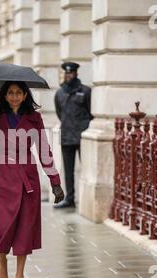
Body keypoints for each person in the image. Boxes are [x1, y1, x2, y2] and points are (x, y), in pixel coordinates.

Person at [0, 81, 65, 278]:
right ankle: (1, 259)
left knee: (25, 227)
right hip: (2, 177)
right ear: (4, 96)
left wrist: (55, 182)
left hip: (27, 178)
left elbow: (44, 150)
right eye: (10, 93)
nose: (14, 96)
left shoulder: (34, 118)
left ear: (25, 95)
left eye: (18, 93)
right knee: (4, 224)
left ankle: (19, 274)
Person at [54, 62, 93, 209]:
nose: (68, 75)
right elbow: (59, 113)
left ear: (76, 73)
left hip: (82, 137)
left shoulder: (86, 91)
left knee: (86, 169)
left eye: (71, 73)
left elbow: (91, 113)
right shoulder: (60, 93)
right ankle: (69, 199)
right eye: (66, 73)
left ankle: (86, 200)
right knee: (68, 171)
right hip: (66, 136)